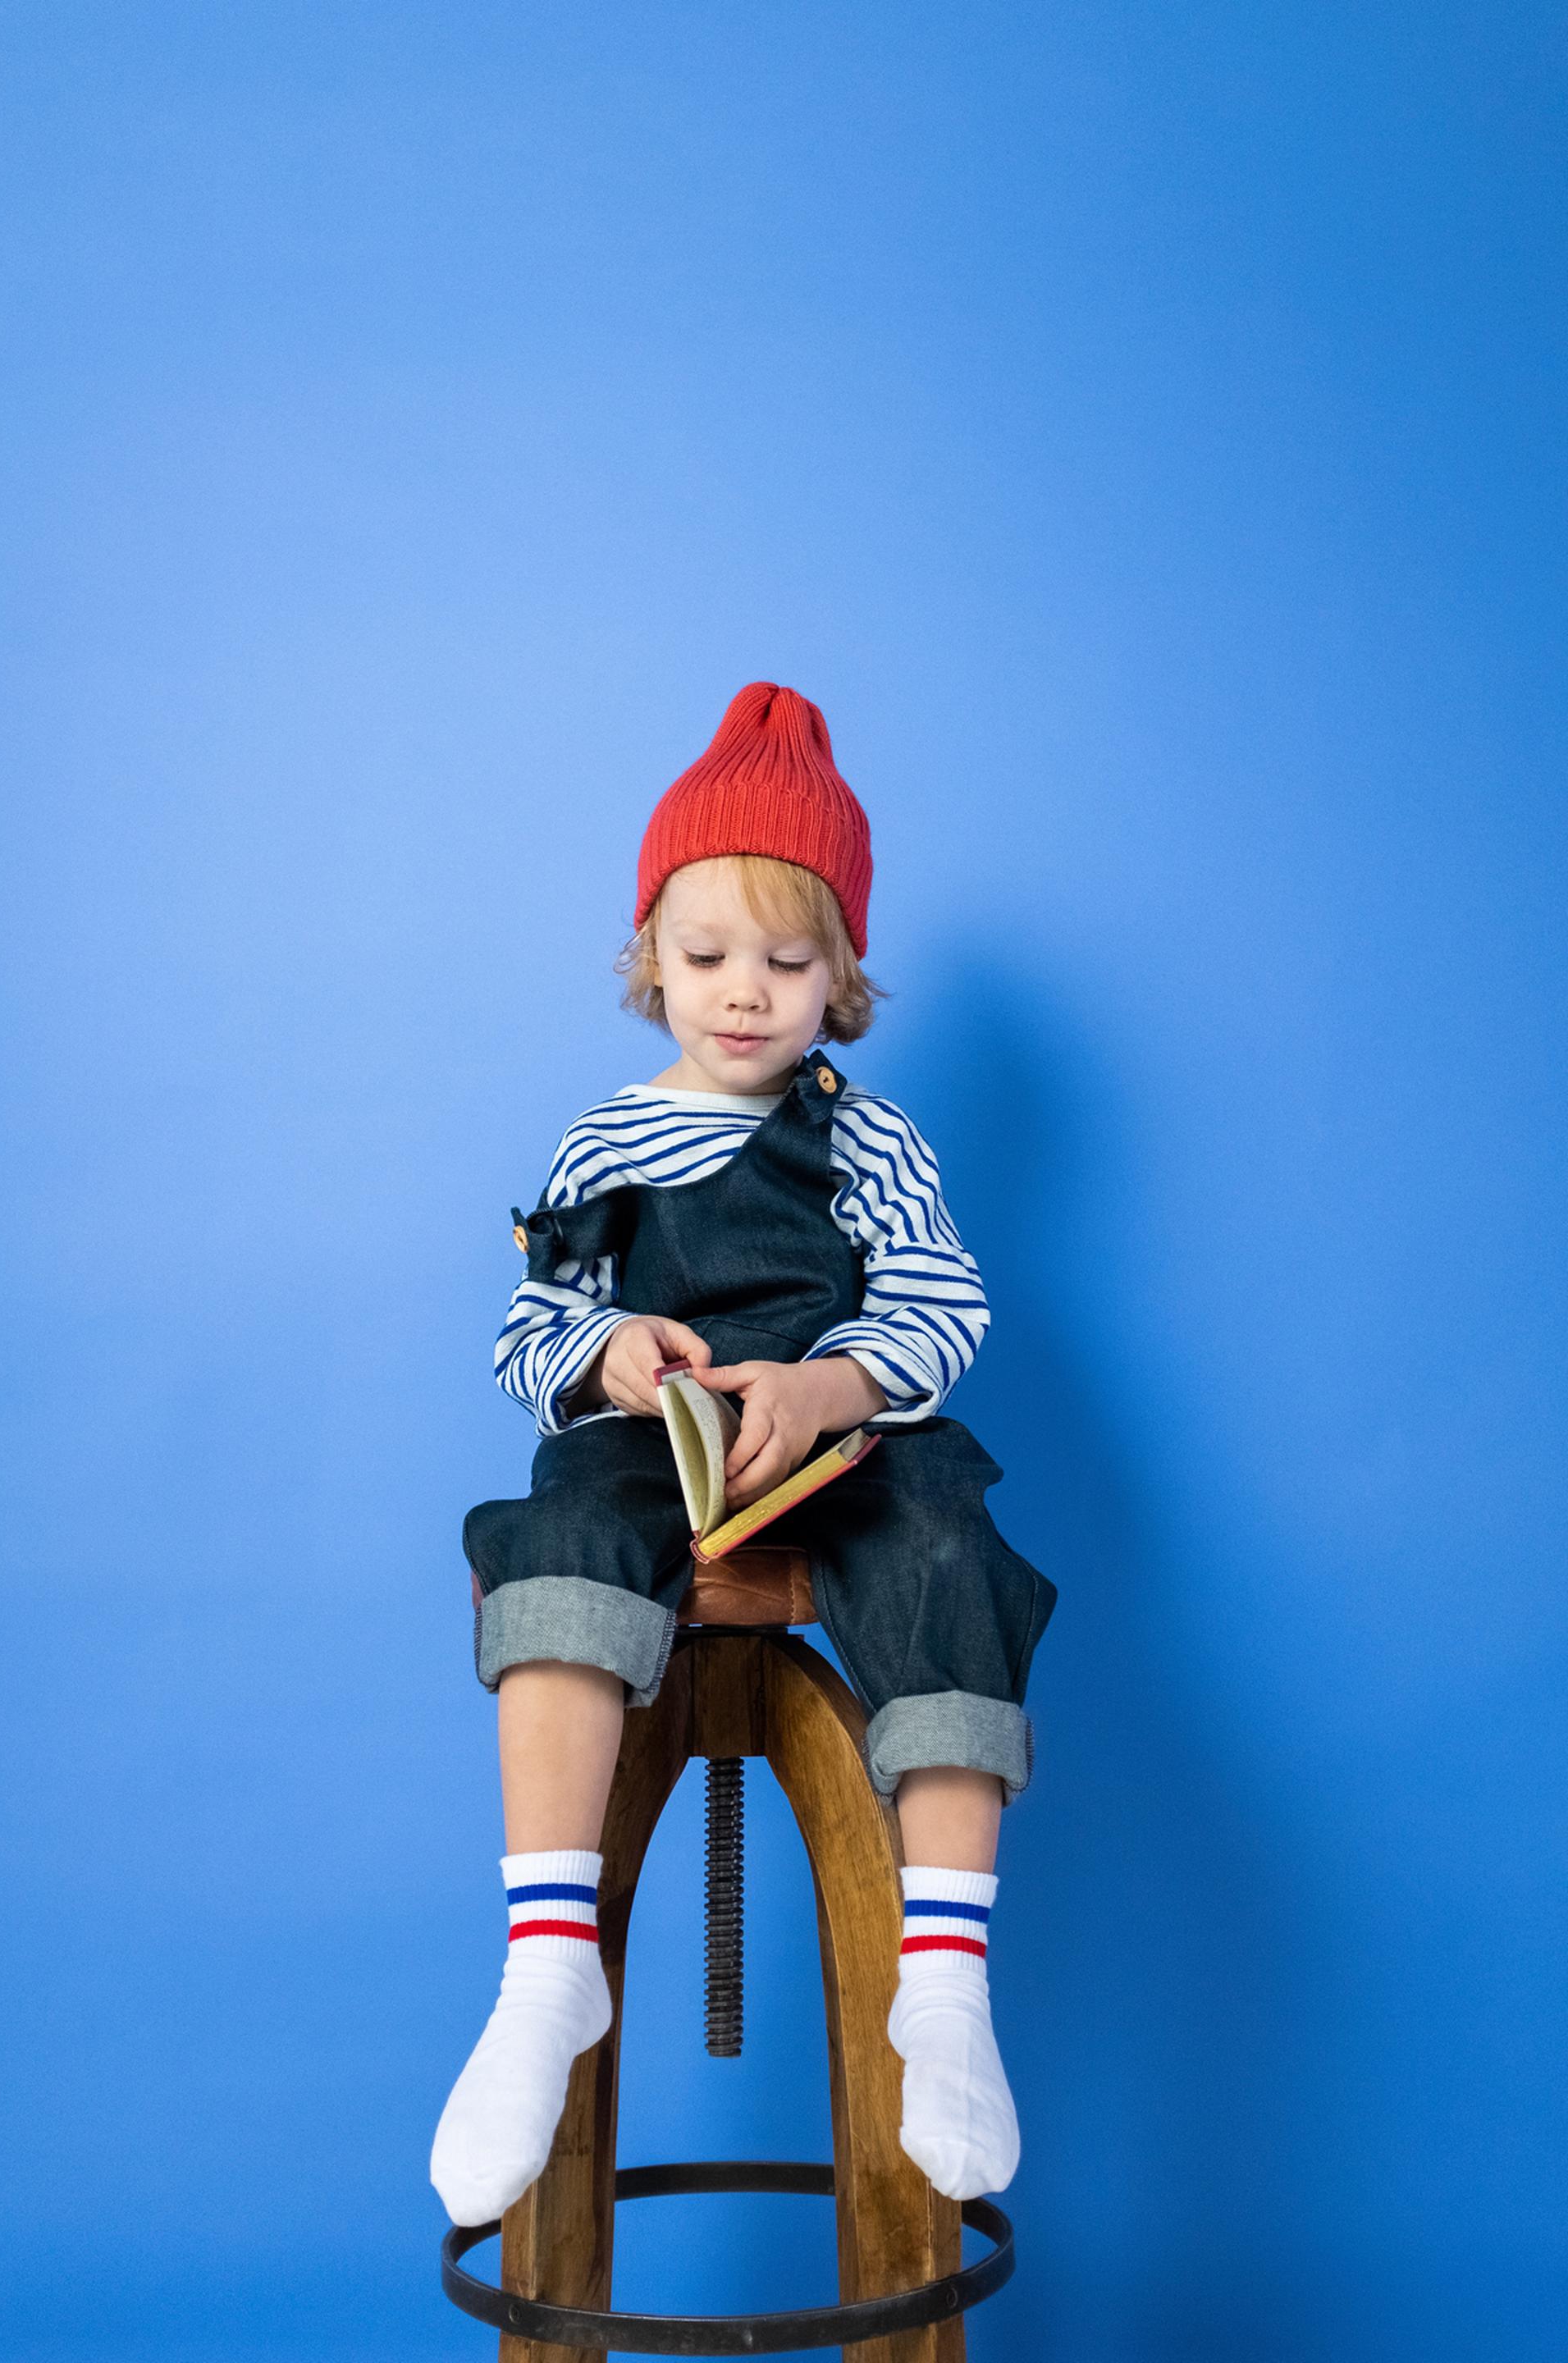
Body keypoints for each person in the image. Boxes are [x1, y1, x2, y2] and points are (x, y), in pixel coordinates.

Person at [430, 680, 1057, 2228]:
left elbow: (938, 1303)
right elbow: (530, 1327)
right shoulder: (603, 1141)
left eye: (791, 961)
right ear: (650, 956)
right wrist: (610, 1357)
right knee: (558, 1528)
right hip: (664, 1445)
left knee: (945, 1549)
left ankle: (947, 1984)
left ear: (843, 976)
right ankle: (546, 1962)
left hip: (846, 1441)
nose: (746, 993)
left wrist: (835, 1385)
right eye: (708, 956)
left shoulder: (870, 1138)